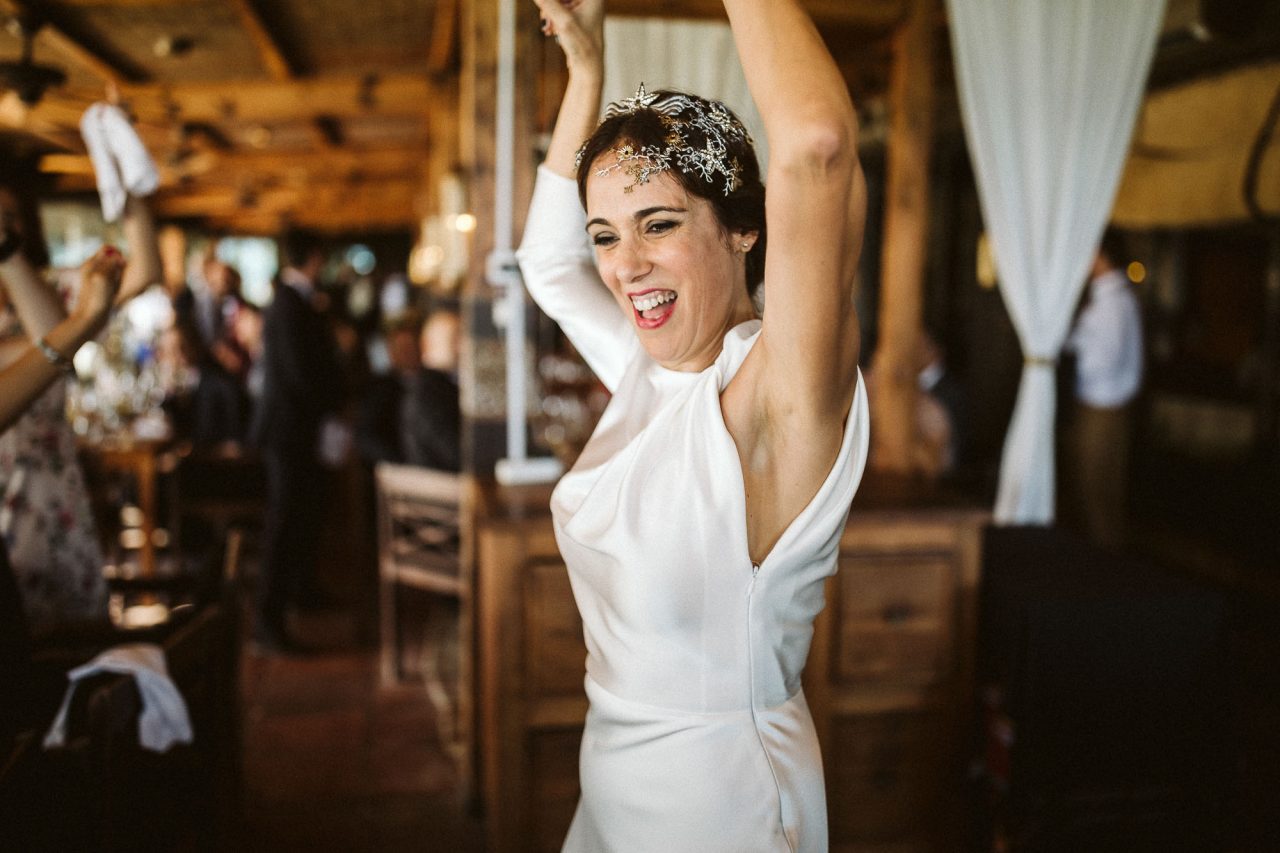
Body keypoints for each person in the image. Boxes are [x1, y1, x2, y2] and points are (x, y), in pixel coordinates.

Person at [517, 0, 869, 848]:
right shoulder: (652, 365)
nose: (624, 264)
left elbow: (817, 143)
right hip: (613, 787)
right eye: (606, 234)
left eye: (660, 224)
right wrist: (586, 71)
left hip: (720, 805)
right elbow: (547, 265)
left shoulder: (779, 392)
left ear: (745, 227)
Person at [0, 155, 159, 637]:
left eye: (9, 217)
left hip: (50, 490)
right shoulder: (66, 310)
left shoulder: (60, 294)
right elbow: (57, 337)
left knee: (71, 641)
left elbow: (145, 267)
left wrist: (121, 167)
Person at [249, 230, 342, 651]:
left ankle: (303, 591)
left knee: (305, 514)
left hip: (299, 426)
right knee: (283, 524)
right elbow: (298, 371)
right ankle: (267, 622)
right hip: (288, 429)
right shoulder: (287, 302)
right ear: (315, 257)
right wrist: (334, 405)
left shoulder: (296, 299)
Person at [1062, 229, 1143, 549]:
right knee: (1105, 494)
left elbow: (1102, 360)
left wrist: (1072, 345)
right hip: (1114, 406)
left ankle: (1104, 572)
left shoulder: (1109, 304)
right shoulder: (1119, 298)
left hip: (1098, 406)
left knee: (1092, 493)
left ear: (1098, 254)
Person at [356, 310, 462, 472]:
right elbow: (458, 454)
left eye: (410, 347)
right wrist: (399, 465)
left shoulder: (434, 385)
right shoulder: (428, 391)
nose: (462, 346)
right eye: (455, 338)